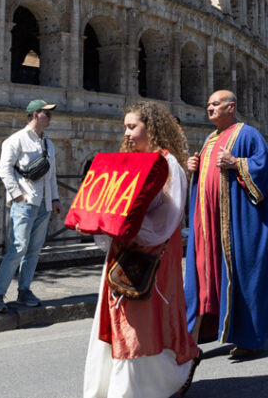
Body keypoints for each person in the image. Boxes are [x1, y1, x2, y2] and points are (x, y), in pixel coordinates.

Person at [83, 101, 200, 398]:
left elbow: (167, 219)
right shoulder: (128, 162)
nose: (126, 133)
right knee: (117, 316)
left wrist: (128, 227)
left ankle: (154, 383)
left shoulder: (169, 165)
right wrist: (97, 218)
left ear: (152, 128)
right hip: (122, 248)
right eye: (125, 126)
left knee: (139, 320)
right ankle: (112, 387)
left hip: (153, 253)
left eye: (132, 126)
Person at [185, 90, 268, 358]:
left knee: (243, 276)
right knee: (204, 277)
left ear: (231, 107)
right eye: (208, 104)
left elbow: (265, 171)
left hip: (237, 223)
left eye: (216, 104)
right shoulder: (209, 139)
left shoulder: (248, 134)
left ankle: (250, 338)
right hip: (208, 225)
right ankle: (196, 335)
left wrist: (237, 163)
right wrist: (193, 166)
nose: (210, 108)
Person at [0, 99, 62, 312]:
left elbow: (51, 175)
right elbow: (5, 170)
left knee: (34, 250)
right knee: (17, 249)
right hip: (25, 203)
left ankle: (24, 290)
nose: (50, 116)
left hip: (44, 203)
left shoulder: (49, 143)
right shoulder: (15, 140)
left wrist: (55, 199)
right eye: (47, 113)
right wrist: (17, 195)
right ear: (35, 114)